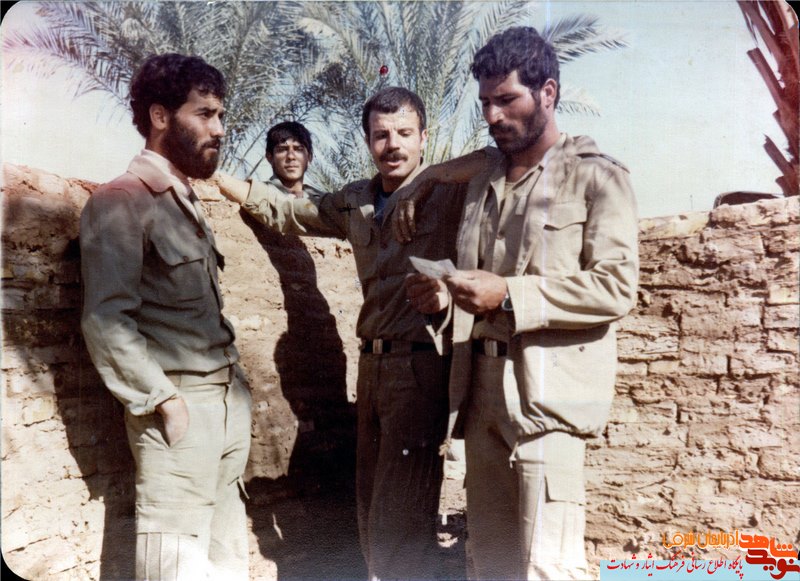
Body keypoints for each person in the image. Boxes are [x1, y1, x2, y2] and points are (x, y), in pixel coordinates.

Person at [398, 26, 639, 580]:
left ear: (547, 92)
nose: (493, 115)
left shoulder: (596, 175)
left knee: (548, 566)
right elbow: (474, 284)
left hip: (546, 400)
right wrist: (441, 300)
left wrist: (509, 294)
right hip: (479, 396)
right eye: (485, 102)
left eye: (506, 99)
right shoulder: (483, 181)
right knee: (490, 563)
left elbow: (615, 287)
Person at [214, 87, 466, 580]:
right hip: (370, 367)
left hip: (420, 366)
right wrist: (223, 182)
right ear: (368, 141)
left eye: (404, 133)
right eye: (381, 134)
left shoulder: (450, 194)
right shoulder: (356, 201)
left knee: (402, 513)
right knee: (369, 507)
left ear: (424, 137)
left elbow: (498, 169)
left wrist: (433, 179)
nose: (392, 145)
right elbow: (293, 212)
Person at [80, 53, 252, 580]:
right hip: (179, 412)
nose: (219, 129)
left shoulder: (183, 200)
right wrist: (164, 401)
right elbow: (106, 320)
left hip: (225, 406)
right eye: (204, 114)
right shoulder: (122, 200)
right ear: (160, 116)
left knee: (227, 564)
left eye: (220, 115)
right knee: (176, 569)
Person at [263, 120, 320, 198]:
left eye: (298, 149)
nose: (291, 156)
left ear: (309, 157)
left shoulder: (323, 201)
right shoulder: (252, 195)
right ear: (269, 157)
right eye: (282, 149)